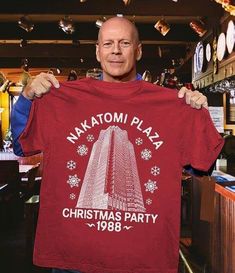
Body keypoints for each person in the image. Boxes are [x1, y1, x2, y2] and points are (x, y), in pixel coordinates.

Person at [11, 17, 223, 273]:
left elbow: (202, 166)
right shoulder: (63, 99)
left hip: (139, 261)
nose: (115, 50)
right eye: (108, 43)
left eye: (124, 43)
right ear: (98, 51)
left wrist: (196, 113)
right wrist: (26, 98)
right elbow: (22, 147)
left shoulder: (172, 105)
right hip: (74, 260)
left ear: (138, 50)